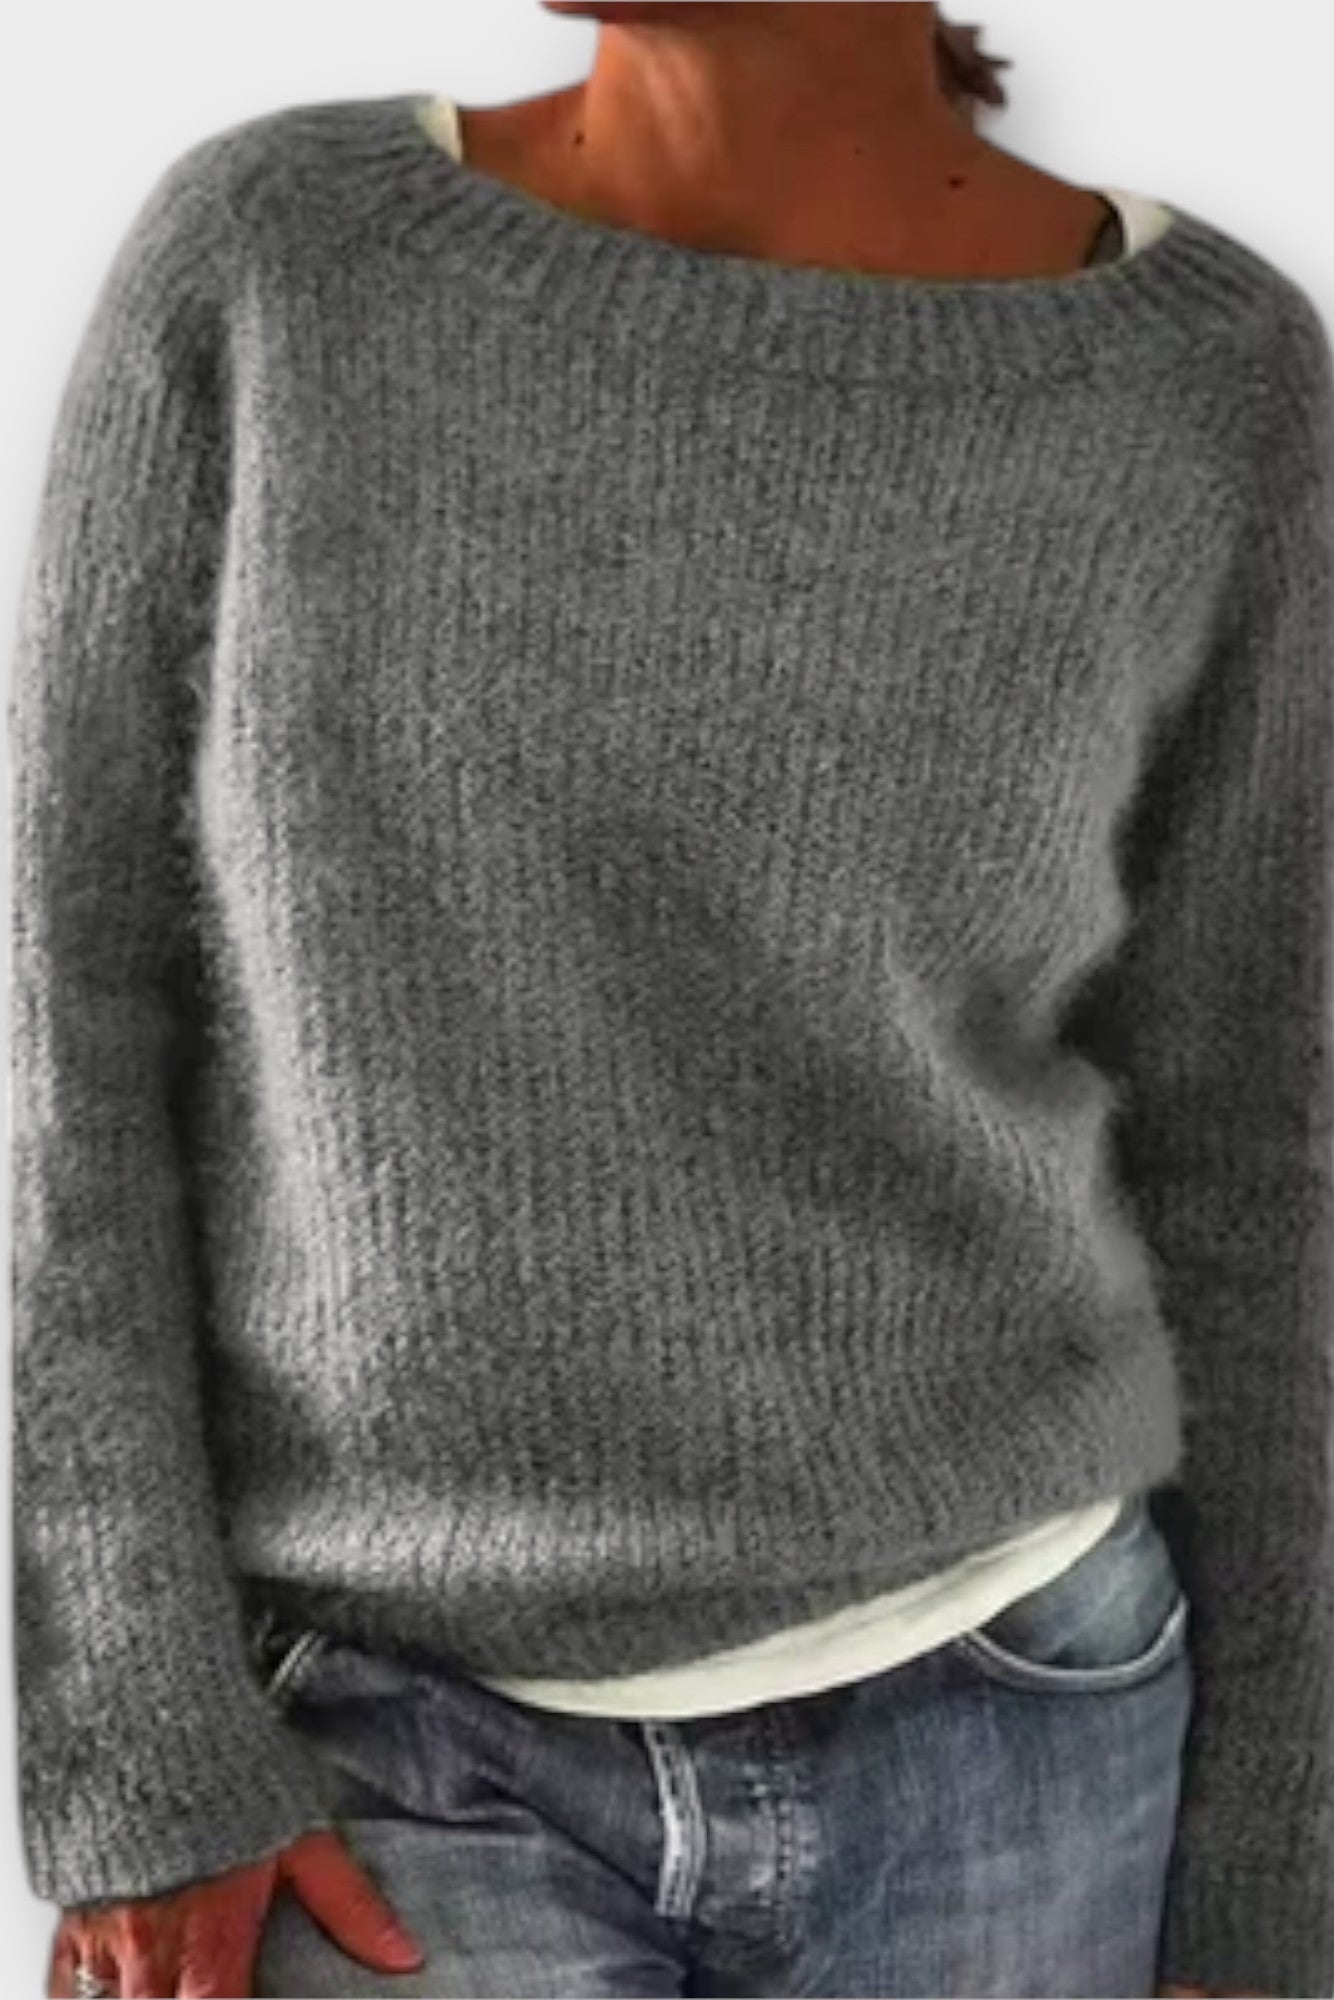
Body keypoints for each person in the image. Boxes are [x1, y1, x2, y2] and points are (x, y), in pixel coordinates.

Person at [10, 4, 1333, 1996]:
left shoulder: (1202, 384)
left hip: (1023, 1735)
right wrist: (130, 1742)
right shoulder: (281, 262)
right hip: (383, 1748)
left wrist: (1270, 1869)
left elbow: (1258, 1139)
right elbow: (68, 1020)